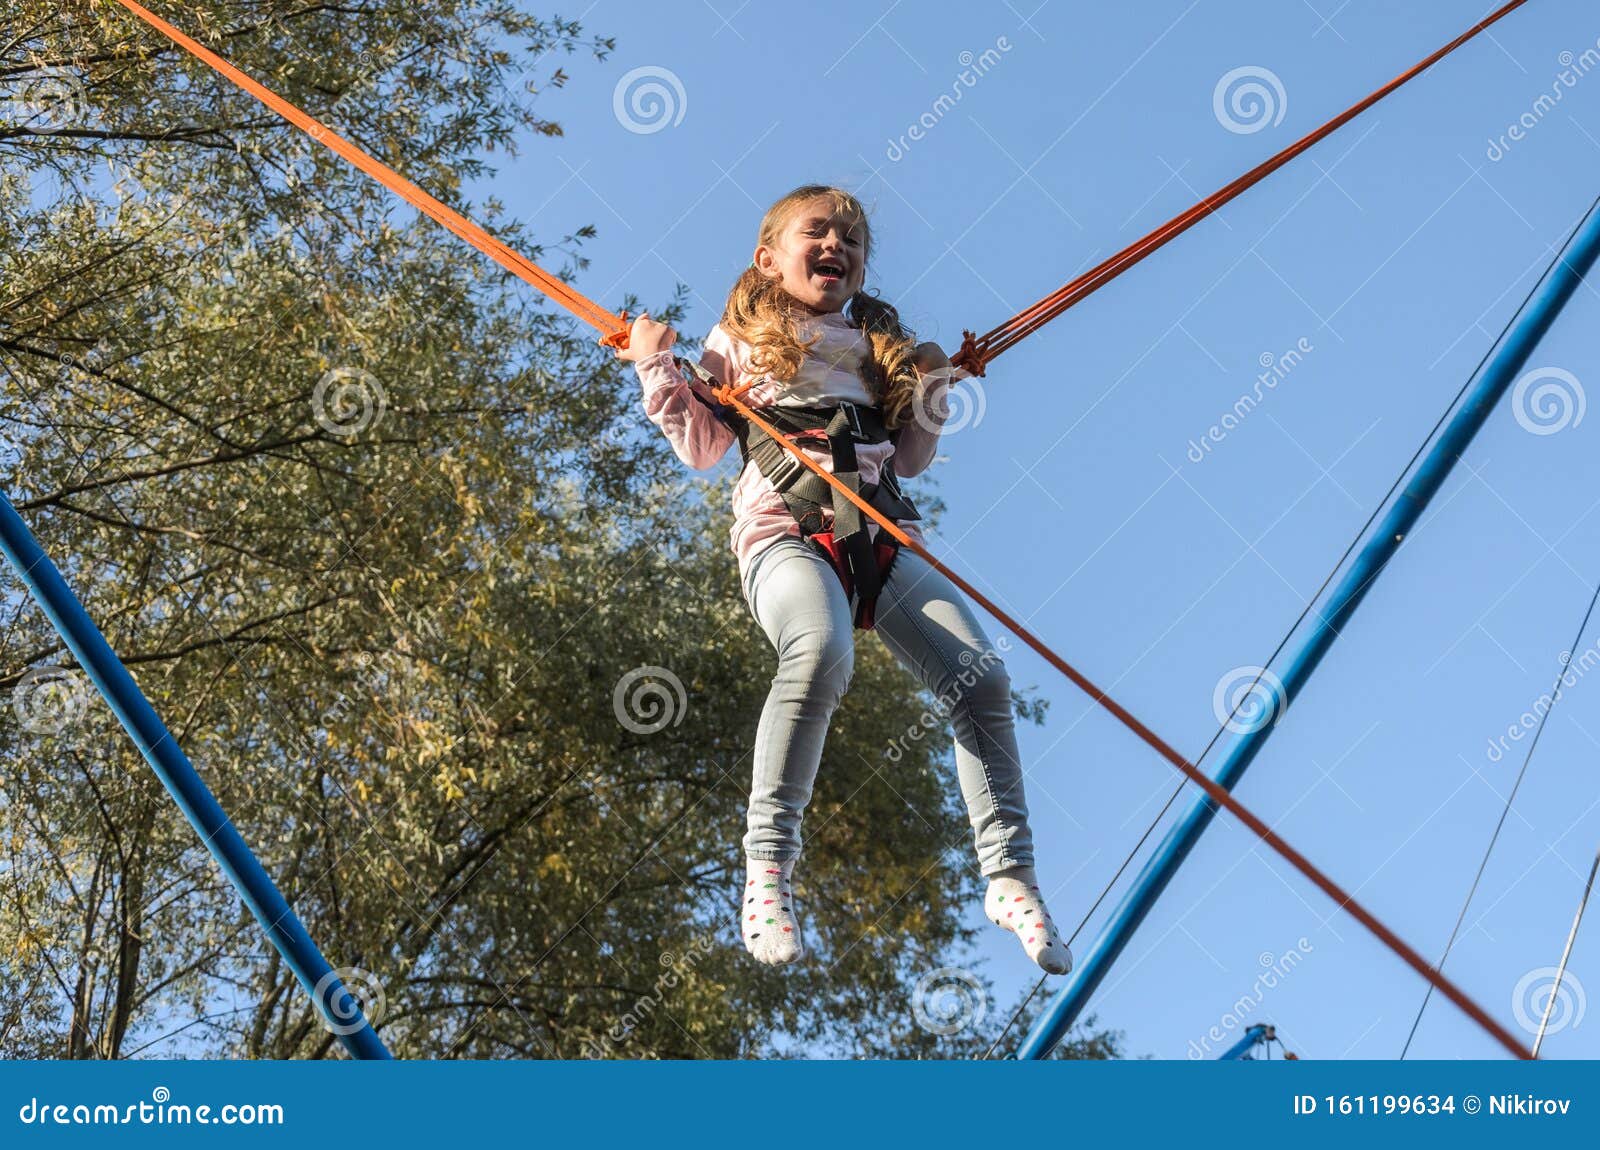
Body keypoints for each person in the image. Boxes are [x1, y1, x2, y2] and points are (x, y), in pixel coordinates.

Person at [617, 185, 1070, 974]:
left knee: (980, 678)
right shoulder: (740, 338)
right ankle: (768, 873)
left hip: (888, 538)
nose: (836, 244)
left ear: (862, 269)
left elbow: (913, 460)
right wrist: (655, 359)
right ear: (769, 259)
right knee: (821, 651)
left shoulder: (876, 348)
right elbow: (700, 447)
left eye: (852, 239)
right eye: (816, 231)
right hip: (784, 533)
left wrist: (930, 386)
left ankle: (1009, 876)